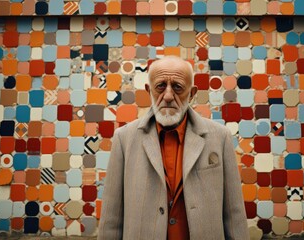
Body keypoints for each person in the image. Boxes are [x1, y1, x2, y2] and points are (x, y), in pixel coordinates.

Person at [98, 56, 249, 240]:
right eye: (160, 86)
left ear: (192, 93)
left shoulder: (220, 137)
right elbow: (111, 219)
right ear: (149, 90)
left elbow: (234, 215)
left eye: (177, 87)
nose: (168, 96)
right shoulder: (124, 139)